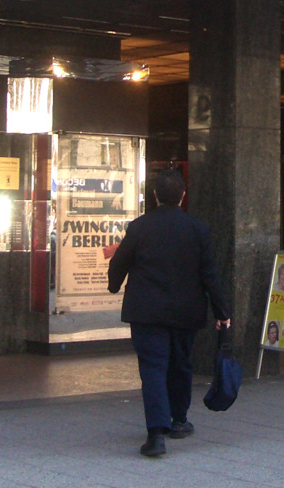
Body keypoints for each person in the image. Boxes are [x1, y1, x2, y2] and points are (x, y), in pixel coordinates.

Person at [107, 169, 230, 458]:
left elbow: (119, 262)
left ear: (155, 196)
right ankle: (178, 420)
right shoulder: (198, 229)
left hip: (147, 312)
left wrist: (114, 285)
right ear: (183, 196)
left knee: (152, 368)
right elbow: (210, 274)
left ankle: (155, 434)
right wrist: (222, 311)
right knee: (180, 365)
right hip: (186, 312)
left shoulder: (139, 227)